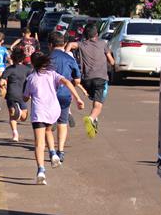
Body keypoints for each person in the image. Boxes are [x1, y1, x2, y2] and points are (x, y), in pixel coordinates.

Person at [23, 52, 85, 185]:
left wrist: (26, 97)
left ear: (32, 63)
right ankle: (53, 153)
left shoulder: (31, 78)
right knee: (49, 131)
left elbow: (25, 97)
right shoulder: (52, 74)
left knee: (39, 144)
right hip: (53, 110)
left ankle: (41, 170)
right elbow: (67, 82)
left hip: (39, 112)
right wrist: (78, 98)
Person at [67, 24, 115, 139]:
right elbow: (112, 62)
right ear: (97, 34)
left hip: (86, 80)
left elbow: (70, 44)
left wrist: (67, 54)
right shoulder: (103, 44)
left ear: (84, 35)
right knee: (98, 104)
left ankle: (70, 111)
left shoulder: (82, 44)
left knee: (71, 85)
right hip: (101, 79)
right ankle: (91, 118)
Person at [48, 31, 82, 163]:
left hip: (50, 95)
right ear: (64, 44)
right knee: (63, 122)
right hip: (65, 94)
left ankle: (51, 150)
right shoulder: (69, 59)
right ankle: (60, 151)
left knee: (48, 124)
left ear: (50, 45)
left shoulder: (47, 58)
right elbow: (77, 80)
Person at [0, 49, 32, 142]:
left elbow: (2, 81)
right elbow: (31, 82)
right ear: (23, 58)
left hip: (11, 94)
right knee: (23, 117)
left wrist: (2, 86)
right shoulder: (27, 70)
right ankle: (20, 113)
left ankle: (15, 134)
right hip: (22, 94)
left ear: (13, 58)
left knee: (12, 115)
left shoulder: (9, 69)